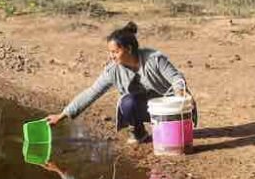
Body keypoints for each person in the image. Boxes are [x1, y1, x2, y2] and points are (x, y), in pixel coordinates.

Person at [45, 22, 192, 144]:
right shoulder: (113, 70)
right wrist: (62, 115)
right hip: (147, 109)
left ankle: (170, 129)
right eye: (110, 52)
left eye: (115, 52)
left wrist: (179, 98)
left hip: (171, 109)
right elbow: (92, 92)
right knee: (127, 102)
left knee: (172, 140)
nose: (111, 56)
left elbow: (176, 78)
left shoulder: (154, 59)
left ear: (128, 49)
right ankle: (139, 133)